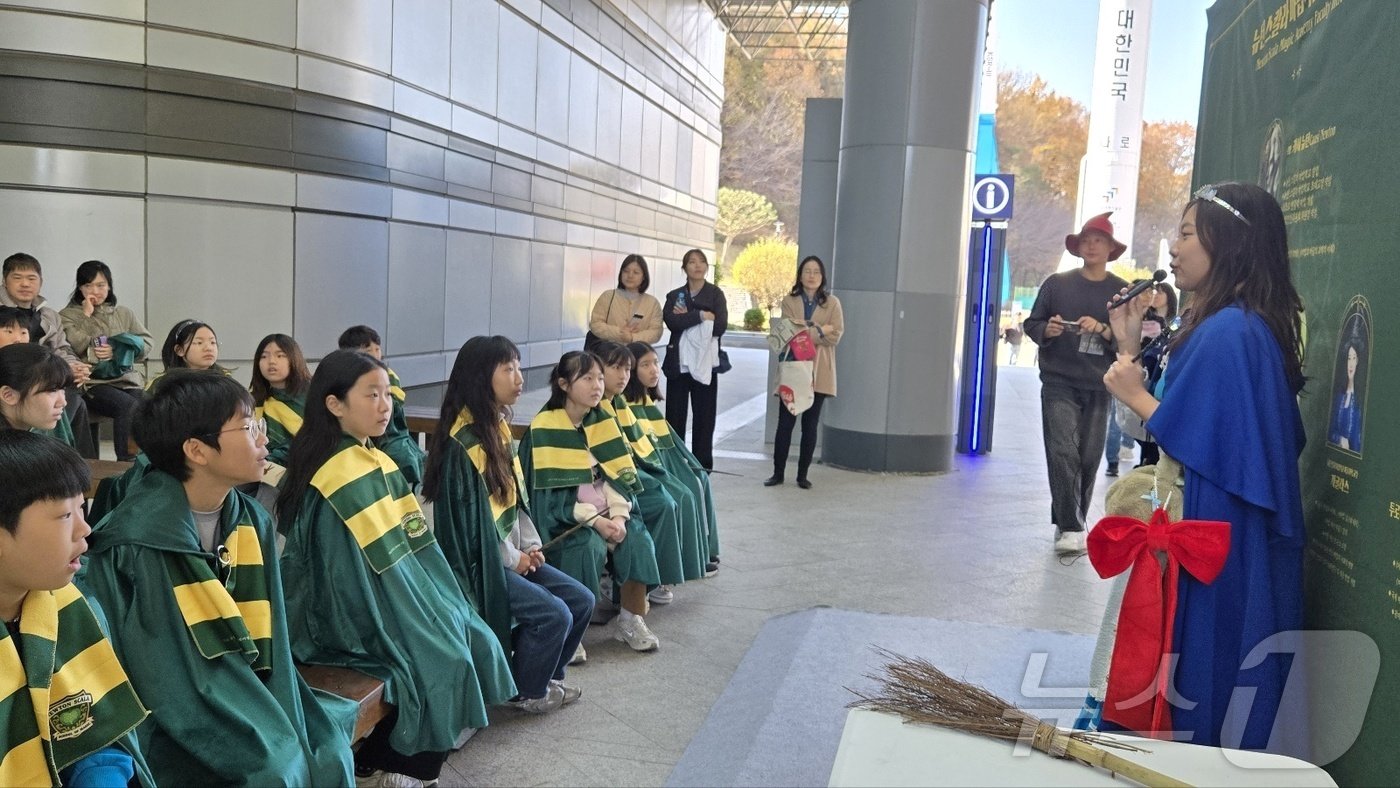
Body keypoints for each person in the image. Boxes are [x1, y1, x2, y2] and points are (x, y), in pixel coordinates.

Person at [77, 370, 356, 785]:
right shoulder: (133, 540)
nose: (264, 440)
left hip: (250, 681)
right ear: (197, 450)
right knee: (274, 769)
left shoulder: (252, 520)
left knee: (325, 747)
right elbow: (143, 669)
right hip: (178, 710)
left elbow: (272, 631)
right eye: (248, 427)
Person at [1104, 181, 1306, 751]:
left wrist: (1138, 398)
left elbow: (1214, 449)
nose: (1173, 247)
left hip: (1217, 546)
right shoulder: (1234, 326)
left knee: (1204, 681)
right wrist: (1128, 355)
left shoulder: (1231, 334)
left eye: (1187, 233)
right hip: (1220, 537)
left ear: (1230, 242)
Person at [275, 350, 514, 786]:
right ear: (334, 404)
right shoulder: (334, 476)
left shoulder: (375, 459)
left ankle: (396, 757)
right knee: (444, 656)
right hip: (345, 614)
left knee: (470, 630)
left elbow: (416, 548)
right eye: (371, 395)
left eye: (387, 394)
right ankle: (401, 766)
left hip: (394, 593)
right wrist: (415, 615)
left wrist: (440, 601)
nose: (385, 405)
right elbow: (339, 579)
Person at [422, 336, 593, 714]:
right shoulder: (462, 445)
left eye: (518, 367)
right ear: (482, 377)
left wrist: (529, 546)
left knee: (581, 601)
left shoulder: (496, 427)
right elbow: (472, 531)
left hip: (508, 554)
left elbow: (515, 500)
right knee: (553, 614)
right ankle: (526, 691)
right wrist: (512, 558)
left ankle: (547, 676)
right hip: (475, 566)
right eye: (508, 369)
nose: (519, 377)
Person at [0, 431, 154, 788]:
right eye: (65, 515)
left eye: (81, 509)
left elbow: (91, 732)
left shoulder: (68, 606)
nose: (85, 529)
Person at [518, 351, 664, 652]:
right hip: (566, 518)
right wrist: (596, 521)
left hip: (608, 511)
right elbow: (548, 499)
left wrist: (620, 517)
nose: (597, 385)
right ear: (563, 384)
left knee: (637, 538)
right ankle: (573, 629)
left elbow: (619, 479)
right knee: (586, 546)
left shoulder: (602, 421)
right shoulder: (544, 429)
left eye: (600, 377)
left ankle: (630, 619)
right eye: (587, 378)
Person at [1023, 213, 1130, 554]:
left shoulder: (1119, 291)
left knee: (1088, 456)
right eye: (1086, 239)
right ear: (1078, 246)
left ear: (1111, 248)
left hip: (1100, 383)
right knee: (1062, 449)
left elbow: (1128, 341)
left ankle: (1070, 518)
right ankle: (1071, 525)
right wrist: (1047, 331)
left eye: (1099, 240)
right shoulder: (1057, 284)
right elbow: (1032, 323)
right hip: (1058, 380)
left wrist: (1101, 329)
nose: (1092, 245)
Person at [595, 340, 695, 600]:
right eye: (615, 368)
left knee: (677, 493)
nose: (623, 375)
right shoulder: (591, 404)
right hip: (604, 485)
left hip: (624, 475)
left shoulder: (617, 402)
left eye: (626, 368)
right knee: (661, 502)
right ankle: (640, 584)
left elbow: (636, 447)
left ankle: (659, 577)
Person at [624, 341, 720, 577]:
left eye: (656, 363)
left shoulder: (647, 402)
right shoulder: (626, 406)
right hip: (650, 470)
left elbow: (668, 445)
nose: (654, 370)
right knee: (686, 489)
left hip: (662, 464)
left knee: (700, 478)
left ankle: (703, 549)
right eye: (645, 365)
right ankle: (689, 558)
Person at [2, 253, 96, 458]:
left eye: (31, 278)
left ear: (41, 282)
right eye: (17, 278)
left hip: (46, 378)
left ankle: (83, 462)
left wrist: (72, 367)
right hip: (17, 382)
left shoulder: (49, 315)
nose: (25, 284)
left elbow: (63, 349)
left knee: (75, 401)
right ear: (4, 281)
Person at [59, 261, 153, 462]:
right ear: (79, 288)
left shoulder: (123, 313)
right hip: (92, 382)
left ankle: (148, 461)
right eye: (88, 286)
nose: (95, 291)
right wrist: (86, 317)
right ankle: (127, 463)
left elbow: (146, 343)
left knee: (148, 404)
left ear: (109, 286)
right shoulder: (67, 315)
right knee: (127, 406)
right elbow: (77, 344)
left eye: (101, 285)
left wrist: (119, 350)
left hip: (125, 379)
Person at [765, 255, 844, 489]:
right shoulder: (789, 301)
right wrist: (821, 328)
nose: (811, 275)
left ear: (822, 276)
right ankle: (778, 473)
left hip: (819, 370)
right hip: (792, 368)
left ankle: (802, 475)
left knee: (810, 424)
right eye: (807, 271)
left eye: (816, 271)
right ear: (800, 275)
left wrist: (808, 329)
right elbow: (789, 334)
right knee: (785, 423)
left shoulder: (833, 303)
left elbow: (836, 335)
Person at [661, 248, 727, 471]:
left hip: (706, 363)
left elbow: (719, 326)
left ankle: (702, 465)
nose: (697, 266)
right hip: (678, 364)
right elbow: (671, 321)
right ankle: (675, 464)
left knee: (704, 417)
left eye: (701, 262)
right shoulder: (675, 295)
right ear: (684, 268)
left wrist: (688, 318)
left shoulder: (715, 294)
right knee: (675, 417)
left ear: (707, 267)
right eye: (692, 262)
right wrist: (700, 316)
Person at [337, 325, 426, 488]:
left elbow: (393, 415)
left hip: (390, 435)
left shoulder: (387, 375)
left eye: (377, 349)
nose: (375, 354)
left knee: (403, 457)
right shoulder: (340, 376)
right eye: (368, 350)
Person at [250, 332, 312, 468]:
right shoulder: (252, 401)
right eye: (264, 356)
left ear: (294, 359)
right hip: (263, 468)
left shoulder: (314, 395)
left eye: (280, 355)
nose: (271, 361)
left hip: (308, 466)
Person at [0, 343, 77, 447]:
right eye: (52, 390)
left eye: (63, 389)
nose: (63, 402)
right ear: (8, 395)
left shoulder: (52, 420)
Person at [588, 254, 664, 346]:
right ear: (621, 273)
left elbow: (656, 332)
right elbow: (595, 324)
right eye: (626, 271)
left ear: (644, 276)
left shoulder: (652, 303)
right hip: (609, 355)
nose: (630, 275)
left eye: (636, 272)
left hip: (637, 356)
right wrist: (619, 333)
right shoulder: (608, 296)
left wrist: (632, 338)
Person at [151, 319, 227, 387]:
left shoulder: (225, 381)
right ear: (179, 350)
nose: (209, 348)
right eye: (199, 343)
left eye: (213, 342)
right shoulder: (163, 384)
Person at [1328, 319, 1365, 453]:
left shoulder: (1360, 399)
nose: (1351, 363)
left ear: (1358, 361)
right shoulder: (1339, 397)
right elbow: (1330, 432)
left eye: (1354, 358)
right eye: (1349, 358)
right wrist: (1340, 440)